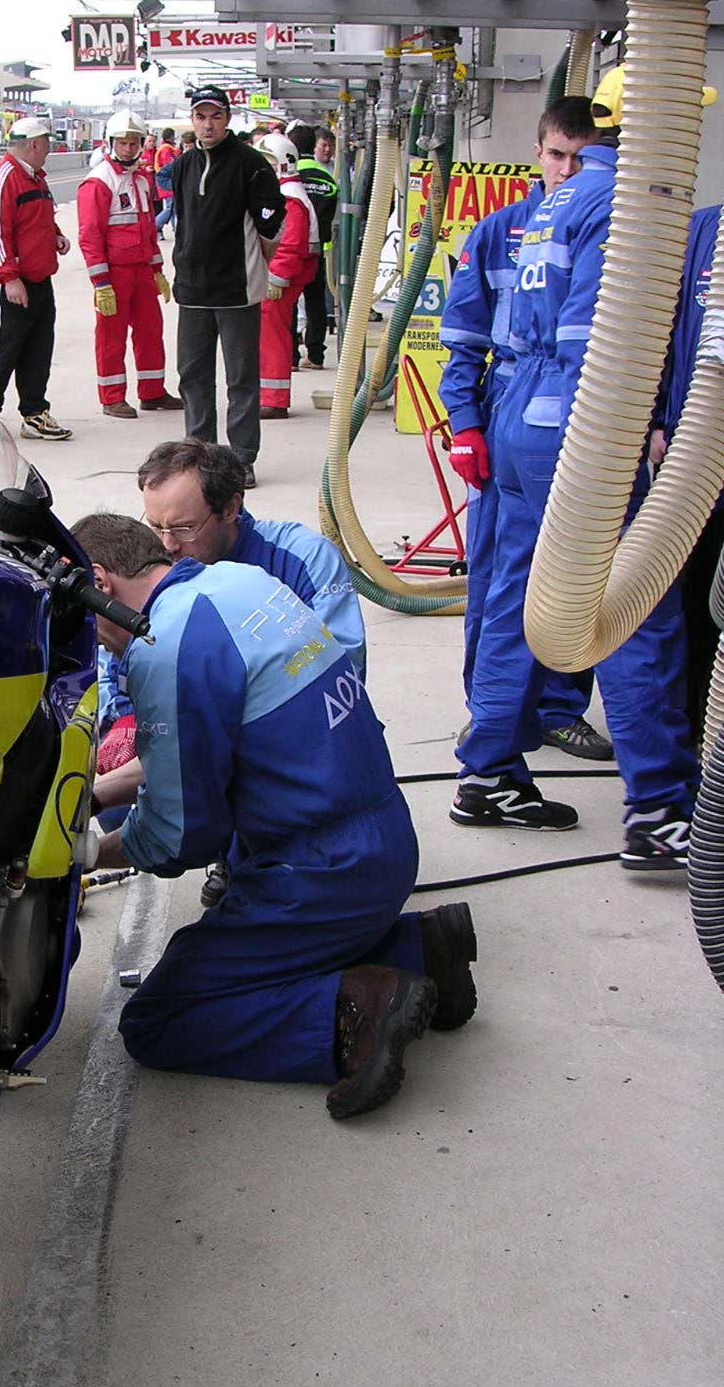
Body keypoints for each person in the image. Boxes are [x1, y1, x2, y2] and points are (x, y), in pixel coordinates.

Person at [70, 513, 478, 1120]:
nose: (92, 640)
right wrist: (98, 794)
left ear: (99, 581)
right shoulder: (236, 584)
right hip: (379, 837)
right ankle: (421, 948)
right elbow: (198, 744)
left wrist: (86, 854)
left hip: (319, 875)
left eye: (77, 614)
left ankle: (356, 1006)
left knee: (159, 1018)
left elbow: (180, 835)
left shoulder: (163, 646)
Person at [452, 67, 701, 868]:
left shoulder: (558, 201)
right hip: (578, 419)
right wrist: (629, 425)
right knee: (632, 609)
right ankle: (660, 812)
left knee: (518, 602)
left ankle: (487, 772)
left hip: (522, 414)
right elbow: (598, 340)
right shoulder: (624, 203)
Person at [440, 97, 613, 763]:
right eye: (557, 155)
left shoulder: (601, 223)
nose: (567, 170)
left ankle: (560, 711)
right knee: (496, 576)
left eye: (581, 158)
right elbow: (462, 342)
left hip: (579, 406)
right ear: (537, 153)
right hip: (509, 409)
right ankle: (490, 713)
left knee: (574, 574)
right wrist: (466, 425)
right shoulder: (497, 232)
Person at [136, 436, 365, 672]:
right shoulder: (145, 565)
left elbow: (344, 665)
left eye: (184, 528)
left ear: (229, 509)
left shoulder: (306, 558)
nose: (167, 546)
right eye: (155, 527)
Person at [164, 86, 286, 490]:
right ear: (192, 120)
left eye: (215, 116)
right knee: (193, 376)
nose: (207, 124)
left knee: (241, 378)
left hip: (237, 291)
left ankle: (241, 458)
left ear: (228, 119)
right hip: (193, 291)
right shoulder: (183, 165)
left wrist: (256, 264)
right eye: (200, 116)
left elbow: (271, 224)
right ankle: (199, 455)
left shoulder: (251, 164)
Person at [657, 201, 723, 744]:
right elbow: (656, 331)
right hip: (694, 452)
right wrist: (655, 419)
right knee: (692, 592)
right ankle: (692, 718)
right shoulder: (698, 231)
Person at [0, 114, 73, 445]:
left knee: (38, 350)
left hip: (40, 278)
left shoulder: (36, 179)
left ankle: (34, 412)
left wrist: (55, 235)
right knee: (2, 348)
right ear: (34, 145)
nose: (49, 151)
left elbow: (37, 219)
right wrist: (9, 278)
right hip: (8, 283)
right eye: (47, 145)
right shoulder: (3, 178)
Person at [76, 109, 181, 419]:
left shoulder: (141, 180)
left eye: (134, 142)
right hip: (115, 274)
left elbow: (148, 229)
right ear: (110, 143)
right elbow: (90, 236)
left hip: (142, 272)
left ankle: (152, 392)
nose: (128, 148)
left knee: (151, 332)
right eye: (122, 142)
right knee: (111, 337)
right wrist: (101, 284)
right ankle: (112, 398)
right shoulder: (98, 182)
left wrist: (157, 271)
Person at [253, 131, 318, 419]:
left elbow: (291, 244)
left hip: (281, 277)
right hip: (284, 274)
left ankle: (274, 399)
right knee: (271, 333)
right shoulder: (289, 193)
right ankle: (269, 395)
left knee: (272, 334)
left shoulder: (289, 197)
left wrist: (276, 278)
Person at [288, 123, 337, 371]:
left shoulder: (289, 177)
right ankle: (316, 356)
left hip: (291, 250)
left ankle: (291, 358)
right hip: (318, 250)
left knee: (288, 303)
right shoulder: (327, 179)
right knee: (316, 303)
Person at [153, 127, 178, 240]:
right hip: (167, 184)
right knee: (170, 208)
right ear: (171, 136)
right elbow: (169, 166)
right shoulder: (167, 149)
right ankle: (154, 225)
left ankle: (176, 230)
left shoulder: (164, 148)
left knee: (172, 209)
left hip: (164, 183)